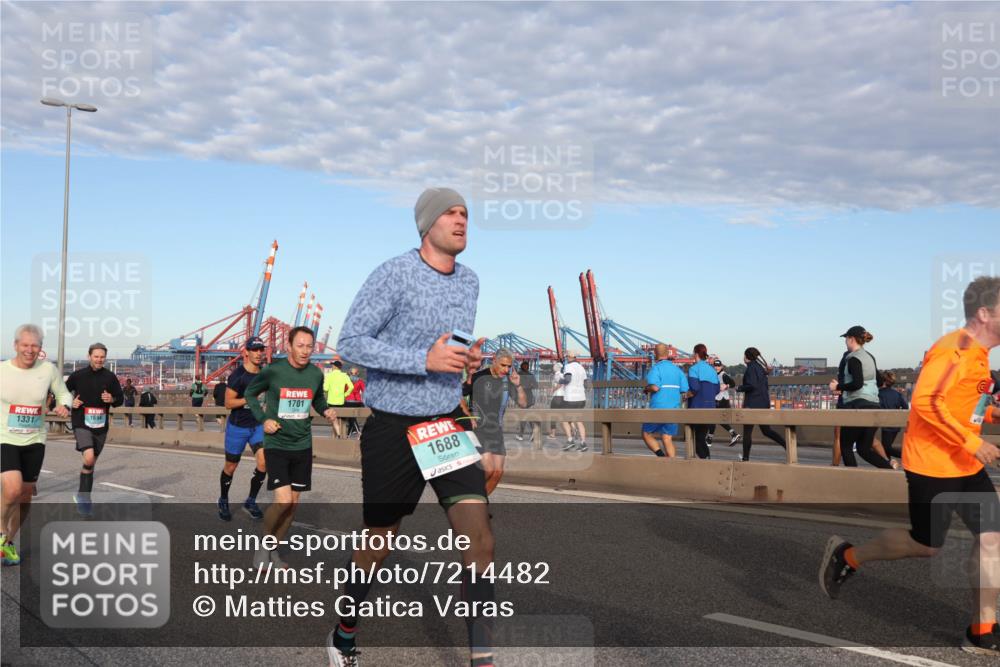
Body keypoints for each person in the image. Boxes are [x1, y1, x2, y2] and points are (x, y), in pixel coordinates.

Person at [331, 187, 494, 667]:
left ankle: (481, 659)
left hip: (444, 423)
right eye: (451, 213)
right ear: (427, 225)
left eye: (466, 213)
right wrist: (422, 359)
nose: (462, 220)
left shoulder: (470, 282)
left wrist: (465, 358)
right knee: (378, 540)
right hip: (393, 427)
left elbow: (450, 348)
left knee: (479, 537)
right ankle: (344, 629)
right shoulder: (394, 273)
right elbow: (352, 342)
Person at [821, 276, 1000, 655]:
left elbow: (969, 404)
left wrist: (993, 415)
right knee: (927, 546)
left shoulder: (980, 356)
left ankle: (982, 631)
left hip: (965, 465)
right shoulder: (954, 350)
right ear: (984, 313)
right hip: (933, 464)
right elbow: (926, 402)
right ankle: (849, 555)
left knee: (991, 540)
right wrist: (972, 441)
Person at [244, 327, 337, 566]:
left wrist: (325, 409)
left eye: (309, 346)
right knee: (283, 500)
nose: (305, 351)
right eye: (300, 345)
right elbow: (251, 394)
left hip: (303, 445)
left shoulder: (316, 375)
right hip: (277, 444)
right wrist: (263, 420)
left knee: (293, 505)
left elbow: (316, 398)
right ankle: (262, 548)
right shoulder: (274, 371)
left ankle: (274, 549)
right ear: (289, 345)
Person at [1, 324, 71, 566]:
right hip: (5, 437)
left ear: (40, 348)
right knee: (11, 488)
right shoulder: (2, 371)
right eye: (25, 345)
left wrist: (65, 405)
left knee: (25, 494)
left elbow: (64, 394)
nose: (30, 350)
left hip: (34, 439)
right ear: (15, 345)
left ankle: (8, 542)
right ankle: (0, 532)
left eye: (35, 345)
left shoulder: (48, 370)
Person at [65, 342, 125, 516]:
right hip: (81, 422)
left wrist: (111, 399)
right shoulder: (78, 376)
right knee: (89, 457)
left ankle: (83, 497)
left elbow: (120, 399)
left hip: (101, 425)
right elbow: (60, 393)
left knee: (90, 464)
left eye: (102, 357)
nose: (99, 360)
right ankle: (84, 499)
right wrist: (70, 402)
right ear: (89, 356)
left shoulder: (110, 377)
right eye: (96, 356)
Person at [463, 349, 527, 494]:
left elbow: (523, 403)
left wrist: (518, 385)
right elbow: (457, 395)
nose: (506, 369)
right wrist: (468, 414)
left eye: (509, 366)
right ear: (494, 361)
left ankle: (479, 503)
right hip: (478, 429)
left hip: (495, 429)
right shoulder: (478, 377)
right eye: (503, 365)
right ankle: (469, 500)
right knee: (488, 469)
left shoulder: (507, 380)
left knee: (497, 472)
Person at [827, 326, 892, 469]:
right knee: (863, 448)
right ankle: (890, 471)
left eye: (846, 339)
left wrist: (837, 387)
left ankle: (853, 479)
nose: (845, 342)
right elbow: (880, 382)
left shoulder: (853, 359)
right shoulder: (869, 357)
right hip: (874, 406)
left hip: (857, 406)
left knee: (845, 445)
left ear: (851, 339)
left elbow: (857, 384)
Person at [218, 337, 268, 521]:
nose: (258, 353)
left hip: (258, 426)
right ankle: (223, 499)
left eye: (261, 349)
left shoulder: (265, 373)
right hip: (238, 427)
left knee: (264, 463)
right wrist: (250, 399)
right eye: (254, 350)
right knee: (231, 466)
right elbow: (228, 403)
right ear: (245, 352)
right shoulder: (237, 376)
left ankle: (251, 500)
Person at [736, 347, 786, 461]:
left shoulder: (750, 369)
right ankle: (786, 445)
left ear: (747, 357)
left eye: (744, 355)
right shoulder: (759, 367)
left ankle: (745, 458)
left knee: (747, 432)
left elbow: (751, 385)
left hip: (752, 405)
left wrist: (739, 388)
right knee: (766, 431)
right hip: (763, 403)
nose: (743, 357)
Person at [642, 343, 688, 458]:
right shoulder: (678, 370)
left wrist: (646, 389)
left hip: (658, 409)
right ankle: (672, 465)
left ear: (655, 354)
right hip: (673, 409)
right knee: (667, 438)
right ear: (667, 354)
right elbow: (684, 390)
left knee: (646, 433)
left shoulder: (656, 368)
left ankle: (661, 457)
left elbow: (655, 387)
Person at [687, 344, 720, 459]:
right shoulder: (712, 370)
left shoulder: (693, 369)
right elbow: (716, 390)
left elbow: (695, 388)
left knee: (695, 439)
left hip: (697, 406)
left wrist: (686, 395)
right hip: (710, 407)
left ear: (695, 354)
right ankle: (707, 459)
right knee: (701, 437)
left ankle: (704, 461)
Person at [558, 350, 589, 451]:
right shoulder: (581, 368)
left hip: (571, 398)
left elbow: (567, 380)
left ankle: (570, 440)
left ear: (569, 357)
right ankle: (583, 443)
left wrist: (559, 380)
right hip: (581, 398)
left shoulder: (568, 367)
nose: (566, 358)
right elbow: (586, 384)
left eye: (567, 357)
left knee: (564, 419)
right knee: (579, 420)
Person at [875, 370, 909, 461]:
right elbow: (906, 407)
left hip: (886, 424)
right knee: (887, 447)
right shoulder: (897, 394)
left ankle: (907, 456)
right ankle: (888, 465)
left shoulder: (879, 394)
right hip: (896, 424)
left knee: (886, 448)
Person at [708, 359, 741, 447]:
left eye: (718, 366)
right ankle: (733, 434)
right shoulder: (715, 374)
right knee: (717, 419)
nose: (717, 367)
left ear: (721, 366)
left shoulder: (723, 375)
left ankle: (709, 439)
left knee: (713, 418)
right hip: (719, 399)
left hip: (721, 400)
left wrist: (726, 386)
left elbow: (733, 383)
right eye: (715, 365)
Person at [323, 360, 354, 438]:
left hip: (331, 401)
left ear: (335, 367)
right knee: (340, 419)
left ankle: (338, 435)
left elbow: (325, 388)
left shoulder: (329, 375)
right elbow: (351, 387)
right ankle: (340, 435)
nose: (332, 367)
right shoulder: (344, 375)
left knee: (334, 419)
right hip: (341, 401)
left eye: (332, 365)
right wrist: (344, 394)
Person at [514, 360, 538, 442]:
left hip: (522, 396)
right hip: (529, 395)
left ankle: (521, 435)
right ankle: (532, 432)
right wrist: (530, 386)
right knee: (527, 414)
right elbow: (535, 385)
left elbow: (514, 385)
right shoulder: (531, 375)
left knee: (523, 415)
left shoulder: (518, 374)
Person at [547, 359, 567, 440]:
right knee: (563, 415)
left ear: (556, 368)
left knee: (553, 415)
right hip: (563, 397)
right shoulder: (563, 375)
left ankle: (553, 434)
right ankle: (573, 429)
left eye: (554, 367)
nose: (553, 368)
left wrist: (553, 389)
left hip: (556, 397)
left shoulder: (557, 375)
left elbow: (560, 384)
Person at [343, 367, 366, 437]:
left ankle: (357, 430)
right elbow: (364, 391)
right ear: (358, 373)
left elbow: (343, 390)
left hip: (348, 400)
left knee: (351, 417)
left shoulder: (346, 380)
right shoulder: (360, 381)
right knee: (352, 417)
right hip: (357, 401)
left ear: (349, 373)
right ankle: (348, 434)